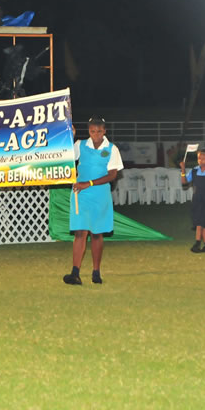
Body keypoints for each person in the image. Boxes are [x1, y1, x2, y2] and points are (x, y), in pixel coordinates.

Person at [63, 116, 124, 285]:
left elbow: (112, 175)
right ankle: (75, 273)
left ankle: (96, 272)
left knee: (97, 234)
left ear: (104, 131)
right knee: (80, 232)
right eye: (92, 131)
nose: (95, 135)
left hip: (99, 195)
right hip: (80, 195)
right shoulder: (80, 145)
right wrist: (70, 136)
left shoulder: (112, 149)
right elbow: (64, 155)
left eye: (98, 131)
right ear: (88, 131)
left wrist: (88, 183)